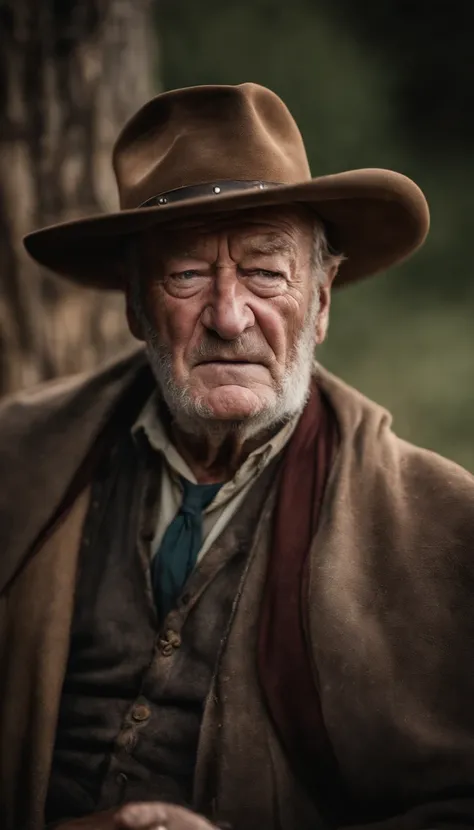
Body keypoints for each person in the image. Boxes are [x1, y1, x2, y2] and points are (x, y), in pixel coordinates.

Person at [1, 82, 473, 830]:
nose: (228, 316)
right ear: (133, 304)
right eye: (186, 274)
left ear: (320, 300)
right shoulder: (17, 457)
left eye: (266, 271)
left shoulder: (444, 527)